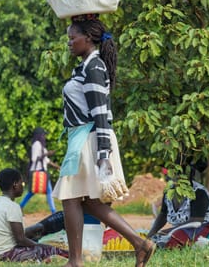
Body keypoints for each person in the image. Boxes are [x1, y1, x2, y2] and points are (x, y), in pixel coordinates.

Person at [53, 14, 154, 267]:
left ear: (87, 38)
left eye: (72, 37)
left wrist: (103, 153)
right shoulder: (87, 66)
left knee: (70, 198)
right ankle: (140, 243)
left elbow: (100, 112)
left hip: (90, 140)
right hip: (83, 138)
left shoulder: (94, 68)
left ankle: (75, 262)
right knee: (88, 202)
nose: (69, 42)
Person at [0, 168, 69, 262]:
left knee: (39, 234)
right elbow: (20, 239)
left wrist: (37, 230)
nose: (23, 186)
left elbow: (17, 235)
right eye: (21, 183)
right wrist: (42, 247)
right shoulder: (12, 207)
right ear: (15, 184)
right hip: (5, 253)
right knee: (52, 250)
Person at [147, 160, 209, 249]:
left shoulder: (198, 192)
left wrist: (170, 231)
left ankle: (163, 247)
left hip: (205, 227)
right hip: (183, 229)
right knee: (155, 238)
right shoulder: (169, 192)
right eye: (169, 172)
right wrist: (150, 234)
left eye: (175, 172)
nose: (169, 176)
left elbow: (196, 222)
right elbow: (163, 215)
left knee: (176, 237)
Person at [19, 127, 58, 214]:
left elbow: (46, 160)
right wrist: (47, 153)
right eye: (43, 134)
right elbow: (34, 158)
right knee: (47, 190)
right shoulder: (36, 144)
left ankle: (20, 206)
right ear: (39, 135)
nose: (44, 136)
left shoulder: (41, 145)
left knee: (33, 192)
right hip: (38, 171)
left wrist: (57, 166)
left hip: (42, 170)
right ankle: (53, 211)